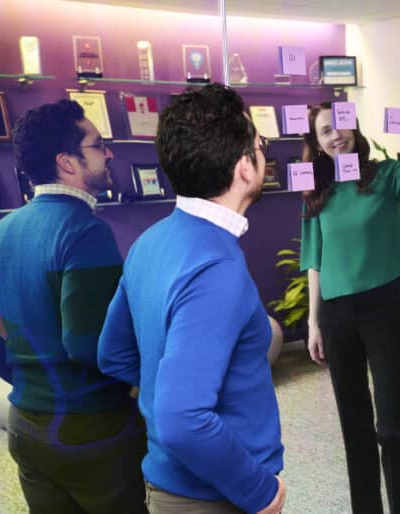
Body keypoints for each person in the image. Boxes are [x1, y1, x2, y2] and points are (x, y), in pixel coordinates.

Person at [97, 83, 285, 514]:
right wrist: (258, 491)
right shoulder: (217, 268)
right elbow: (182, 420)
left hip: (172, 485)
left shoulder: (150, 240)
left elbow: (114, 354)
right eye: (262, 145)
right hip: (214, 497)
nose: (264, 154)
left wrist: (171, 385)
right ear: (244, 167)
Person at [0, 99, 147, 513]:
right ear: (67, 162)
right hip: (92, 428)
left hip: (25, 424)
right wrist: (147, 383)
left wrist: (21, 376)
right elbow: (88, 345)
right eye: (98, 144)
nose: (109, 154)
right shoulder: (85, 232)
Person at [300, 99, 400, 514]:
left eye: (340, 125)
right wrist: (313, 323)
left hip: (385, 308)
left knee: (392, 427)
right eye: (325, 131)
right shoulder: (315, 193)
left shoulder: (384, 174)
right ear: (317, 142)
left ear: (354, 126)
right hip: (336, 315)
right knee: (355, 426)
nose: (335, 136)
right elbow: (314, 260)